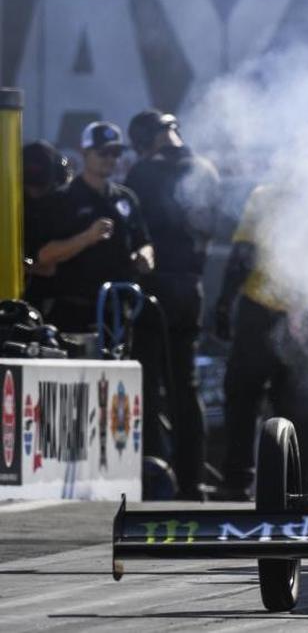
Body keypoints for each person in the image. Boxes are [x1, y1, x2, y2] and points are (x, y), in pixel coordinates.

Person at [125, 109, 221, 499]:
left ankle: (154, 476)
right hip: (191, 288)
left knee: (148, 384)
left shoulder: (142, 173)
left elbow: (133, 232)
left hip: (155, 288)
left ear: (146, 140)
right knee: (186, 386)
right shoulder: (206, 170)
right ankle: (191, 481)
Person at [214, 184, 308, 499]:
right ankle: (302, 487)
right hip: (304, 310)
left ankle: (237, 481)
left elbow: (243, 254)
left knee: (243, 396)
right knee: (298, 405)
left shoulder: (265, 195)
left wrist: (224, 302)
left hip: (262, 310)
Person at [36, 122, 154, 333]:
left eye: (115, 153)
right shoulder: (63, 199)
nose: (110, 159)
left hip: (118, 311)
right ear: (84, 152)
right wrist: (87, 237)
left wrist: (145, 256)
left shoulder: (125, 198)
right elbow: (44, 256)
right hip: (74, 312)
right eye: (103, 152)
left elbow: (144, 242)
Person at [21, 141, 72, 315]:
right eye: (29, 187)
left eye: (41, 188)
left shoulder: (64, 205)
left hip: (55, 298)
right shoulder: (12, 205)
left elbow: (51, 267)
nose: (34, 193)